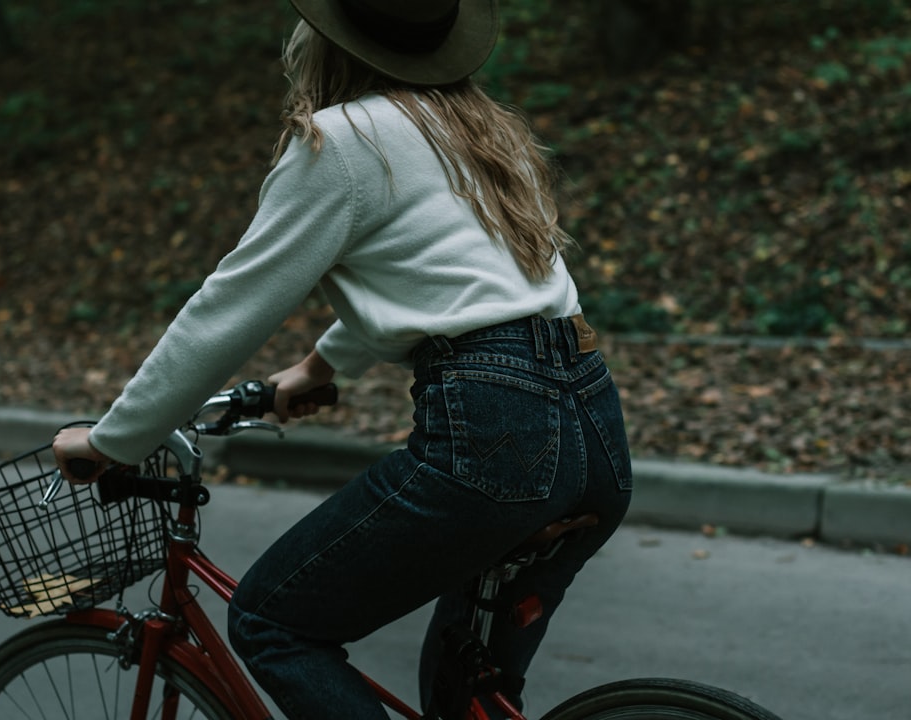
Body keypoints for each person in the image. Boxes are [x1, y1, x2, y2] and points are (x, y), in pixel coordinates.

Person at [53, 1, 633, 717]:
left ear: (325, 43)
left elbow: (229, 310)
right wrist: (319, 368)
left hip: (498, 438)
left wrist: (114, 440)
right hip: (593, 426)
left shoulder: (342, 140)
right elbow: (462, 288)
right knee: (465, 693)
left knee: (273, 623)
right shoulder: (482, 130)